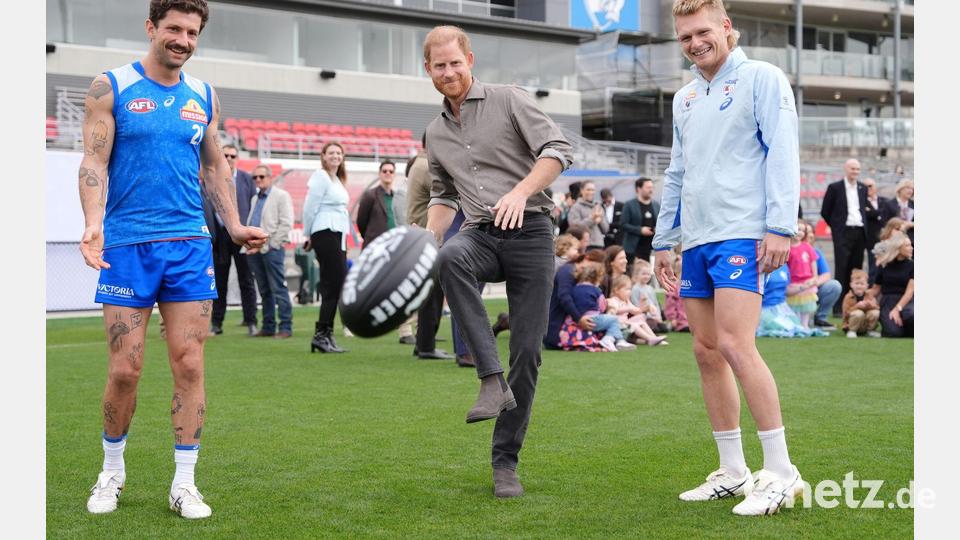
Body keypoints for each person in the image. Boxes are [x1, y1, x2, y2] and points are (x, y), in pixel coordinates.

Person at [78, 0, 267, 519]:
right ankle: (111, 471)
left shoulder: (203, 96)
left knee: (189, 364)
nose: (183, 39)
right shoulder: (110, 87)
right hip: (127, 246)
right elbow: (94, 160)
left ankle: (184, 483)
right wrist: (93, 223)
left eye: (192, 31)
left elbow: (215, 168)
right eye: (174, 29)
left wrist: (233, 225)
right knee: (125, 369)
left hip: (189, 245)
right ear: (152, 28)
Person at [653, 0, 803, 515]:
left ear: (726, 27)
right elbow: (676, 171)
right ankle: (734, 471)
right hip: (696, 239)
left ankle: (781, 471)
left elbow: (782, 149)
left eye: (702, 32)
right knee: (706, 350)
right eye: (685, 37)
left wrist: (780, 226)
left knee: (738, 346)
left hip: (743, 234)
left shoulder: (762, 77)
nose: (695, 43)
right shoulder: (686, 97)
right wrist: (662, 239)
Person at [421, 25, 574, 498]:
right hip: (480, 234)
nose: (448, 72)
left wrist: (521, 191)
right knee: (448, 257)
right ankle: (489, 379)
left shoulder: (510, 99)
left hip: (530, 230)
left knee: (527, 354)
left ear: (470, 59)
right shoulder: (433, 132)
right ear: (427, 70)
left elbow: (559, 150)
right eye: (438, 66)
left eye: (455, 63)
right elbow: (443, 196)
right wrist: (424, 239)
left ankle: (504, 463)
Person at [302, 142, 350, 353]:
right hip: (326, 231)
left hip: (337, 233)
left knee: (336, 284)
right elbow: (310, 207)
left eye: (338, 153)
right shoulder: (320, 177)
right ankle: (322, 334)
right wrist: (307, 234)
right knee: (333, 284)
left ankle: (326, 333)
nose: (335, 156)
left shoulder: (337, 179)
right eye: (331, 152)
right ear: (323, 156)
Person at [207, 143, 258, 336]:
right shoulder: (211, 178)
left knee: (246, 280)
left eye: (232, 156)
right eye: (225, 155)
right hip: (220, 236)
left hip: (242, 235)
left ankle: (251, 321)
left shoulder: (246, 179)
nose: (228, 158)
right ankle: (217, 323)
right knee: (219, 281)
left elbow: (253, 207)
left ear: (237, 158)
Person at [245, 165, 294, 338]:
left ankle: (285, 327)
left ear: (270, 178)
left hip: (272, 249)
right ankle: (268, 326)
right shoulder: (254, 198)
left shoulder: (281, 195)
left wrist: (272, 244)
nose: (258, 180)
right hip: (255, 250)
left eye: (261, 176)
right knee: (264, 290)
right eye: (255, 177)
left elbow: (286, 222)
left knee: (278, 288)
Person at [820, 158, 868, 312]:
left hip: (859, 231)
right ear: (846, 169)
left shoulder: (862, 188)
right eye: (853, 169)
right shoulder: (835, 187)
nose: (855, 172)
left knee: (856, 269)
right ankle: (838, 307)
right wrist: (837, 228)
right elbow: (825, 211)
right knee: (842, 268)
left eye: (858, 169)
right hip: (843, 232)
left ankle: (854, 305)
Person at [544, 250, 607, 351]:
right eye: (594, 267)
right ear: (587, 258)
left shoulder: (579, 275)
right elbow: (564, 297)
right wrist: (579, 319)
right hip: (557, 329)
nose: (593, 270)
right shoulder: (567, 271)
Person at [570, 264, 636, 351]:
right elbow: (602, 306)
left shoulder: (575, 289)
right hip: (594, 319)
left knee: (611, 321)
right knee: (614, 320)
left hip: (580, 317)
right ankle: (614, 340)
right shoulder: (596, 290)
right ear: (597, 278)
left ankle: (615, 340)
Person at [756, 263, 828, 338]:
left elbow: (786, 291)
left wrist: (803, 287)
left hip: (782, 308)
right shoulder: (760, 264)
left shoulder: (784, 266)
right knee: (785, 328)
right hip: (764, 308)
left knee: (797, 327)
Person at [869, 231, 914, 338]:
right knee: (893, 333)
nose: (911, 248)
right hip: (888, 301)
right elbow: (876, 289)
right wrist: (866, 297)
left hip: (908, 301)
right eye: (907, 245)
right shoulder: (884, 265)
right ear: (898, 248)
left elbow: (909, 292)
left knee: (911, 315)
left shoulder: (913, 265)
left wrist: (897, 309)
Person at [607, 275, 668, 346]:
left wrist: (645, 307)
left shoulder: (626, 301)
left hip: (626, 324)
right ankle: (649, 339)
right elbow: (615, 310)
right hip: (619, 326)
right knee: (634, 325)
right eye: (626, 289)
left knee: (641, 319)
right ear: (616, 290)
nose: (629, 292)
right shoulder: (613, 300)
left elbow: (636, 311)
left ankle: (654, 338)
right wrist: (628, 309)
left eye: (630, 289)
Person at [803, 222, 841, 330]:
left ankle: (820, 318)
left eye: (811, 232)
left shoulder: (816, 252)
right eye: (806, 232)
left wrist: (813, 283)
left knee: (834, 285)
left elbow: (826, 275)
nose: (809, 235)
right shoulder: (790, 251)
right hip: (794, 290)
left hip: (812, 289)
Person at [620, 177, 659, 273]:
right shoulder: (629, 205)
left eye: (652, 187)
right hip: (634, 248)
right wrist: (640, 230)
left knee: (647, 274)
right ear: (638, 189)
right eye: (648, 187)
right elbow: (623, 224)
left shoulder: (656, 205)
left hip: (651, 248)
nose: (651, 190)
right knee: (632, 273)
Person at [785, 228, 818, 329]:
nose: (800, 232)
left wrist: (814, 278)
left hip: (808, 281)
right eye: (798, 229)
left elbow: (813, 262)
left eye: (802, 230)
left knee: (806, 306)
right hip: (794, 283)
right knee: (796, 306)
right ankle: (798, 324)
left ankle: (805, 324)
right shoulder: (788, 248)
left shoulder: (807, 246)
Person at [566, 181, 609, 251]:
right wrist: (592, 219)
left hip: (599, 244)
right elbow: (574, 227)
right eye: (588, 189)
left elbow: (605, 229)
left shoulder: (598, 206)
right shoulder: (576, 207)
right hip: (584, 245)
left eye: (593, 190)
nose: (591, 192)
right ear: (582, 191)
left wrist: (599, 220)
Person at [841, 269, 881, 338]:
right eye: (857, 283)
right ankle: (852, 331)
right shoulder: (848, 297)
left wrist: (871, 305)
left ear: (867, 286)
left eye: (862, 284)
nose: (859, 286)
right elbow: (846, 313)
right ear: (851, 285)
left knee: (875, 312)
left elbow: (878, 308)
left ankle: (870, 330)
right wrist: (857, 306)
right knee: (858, 313)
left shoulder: (869, 295)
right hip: (852, 322)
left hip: (865, 323)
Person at [630, 259, 667, 333]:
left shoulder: (650, 288)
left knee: (664, 329)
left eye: (648, 274)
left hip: (654, 316)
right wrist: (648, 314)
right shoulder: (635, 289)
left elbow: (655, 303)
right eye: (643, 274)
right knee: (655, 329)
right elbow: (636, 305)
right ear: (637, 274)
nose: (646, 276)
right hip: (644, 316)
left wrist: (658, 317)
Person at [861, 177, 887, 282]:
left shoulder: (885, 200)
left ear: (875, 187)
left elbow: (887, 215)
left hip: (886, 238)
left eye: (870, 186)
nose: (868, 188)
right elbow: (868, 215)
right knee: (873, 266)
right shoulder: (861, 202)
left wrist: (873, 213)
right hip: (871, 239)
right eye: (865, 187)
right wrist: (879, 213)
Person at [663, 246, 689, 332]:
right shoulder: (674, 286)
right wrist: (672, 318)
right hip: (681, 320)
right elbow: (670, 303)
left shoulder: (690, 283)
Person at [880, 178, 914, 244]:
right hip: (894, 241)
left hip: (912, 241)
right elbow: (884, 223)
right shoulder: (889, 204)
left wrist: (912, 224)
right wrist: (898, 225)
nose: (911, 191)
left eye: (912, 189)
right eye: (908, 188)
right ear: (900, 189)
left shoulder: (914, 204)